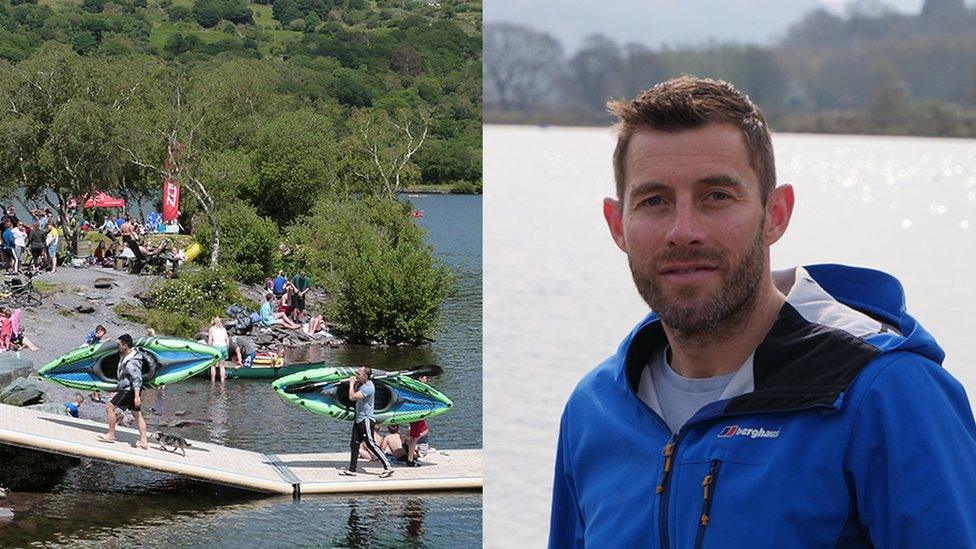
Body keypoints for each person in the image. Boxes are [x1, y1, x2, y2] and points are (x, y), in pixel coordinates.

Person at [548, 76, 976, 547]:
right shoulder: (594, 408)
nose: (683, 231)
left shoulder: (887, 395)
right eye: (654, 201)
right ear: (617, 224)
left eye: (717, 196)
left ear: (775, 213)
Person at [340, 366, 393, 478]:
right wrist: (355, 383)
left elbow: (352, 397)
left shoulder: (368, 387)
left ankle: (388, 467)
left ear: (365, 376)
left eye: (359, 373)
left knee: (371, 444)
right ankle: (352, 469)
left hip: (366, 420)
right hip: (358, 419)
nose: (356, 375)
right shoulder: (362, 384)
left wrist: (351, 383)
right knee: (354, 445)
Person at [98, 334, 148, 449]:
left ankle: (111, 435)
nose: (117, 347)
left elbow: (137, 379)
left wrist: (136, 397)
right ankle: (144, 441)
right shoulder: (126, 355)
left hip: (129, 390)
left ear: (125, 345)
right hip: (129, 390)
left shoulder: (131, 361)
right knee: (137, 414)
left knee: (110, 407)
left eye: (119, 345)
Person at [208, 316, 229, 382]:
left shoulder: (211, 329)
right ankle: (222, 381)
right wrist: (227, 349)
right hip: (223, 346)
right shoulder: (223, 329)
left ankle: (213, 381)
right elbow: (227, 341)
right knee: (222, 366)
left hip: (216, 346)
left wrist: (209, 349)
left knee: (213, 365)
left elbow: (210, 340)